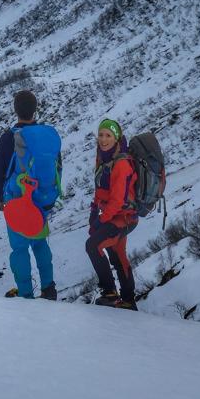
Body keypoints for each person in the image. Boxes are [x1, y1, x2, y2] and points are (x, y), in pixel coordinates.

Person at [0, 89, 60, 300]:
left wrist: (0, 198)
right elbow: (57, 165)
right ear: (35, 110)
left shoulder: (10, 137)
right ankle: (49, 288)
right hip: (41, 199)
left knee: (20, 249)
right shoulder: (47, 135)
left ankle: (25, 294)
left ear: (15, 111)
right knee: (39, 242)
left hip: (17, 200)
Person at [85, 118, 138, 310]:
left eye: (108, 135)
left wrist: (101, 220)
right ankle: (128, 300)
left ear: (116, 138)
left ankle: (109, 293)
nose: (103, 139)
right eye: (101, 135)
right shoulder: (103, 157)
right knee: (117, 254)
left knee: (93, 246)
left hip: (124, 217)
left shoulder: (121, 164)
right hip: (114, 214)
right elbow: (100, 189)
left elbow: (117, 200)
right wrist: (94, 210)